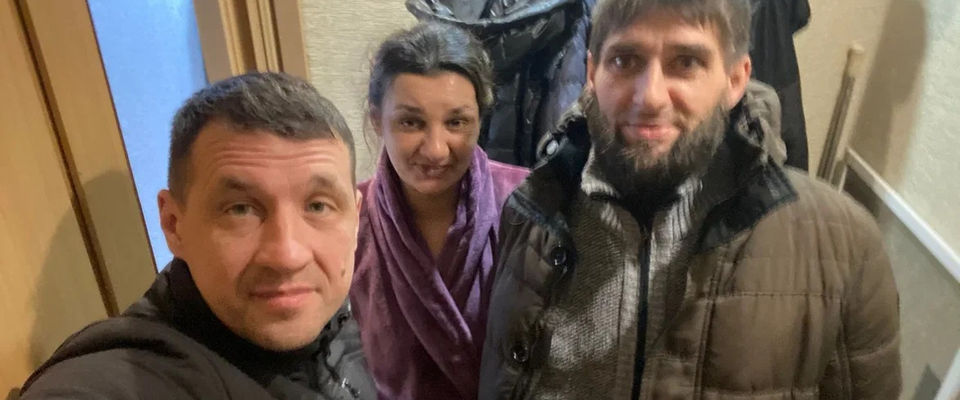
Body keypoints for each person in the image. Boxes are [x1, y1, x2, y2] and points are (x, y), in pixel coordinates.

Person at [479, 0, 902, 398]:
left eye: (686, 62)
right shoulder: (531, 212)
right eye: (625, 61)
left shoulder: (844, 250)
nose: (650, 97)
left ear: (735, 79)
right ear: (592, 75)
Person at [19, 72, 375, 399]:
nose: (287, 255)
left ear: (356, 218)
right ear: (174, 224)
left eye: (318, 206)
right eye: (240, 209)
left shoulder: (341, 311)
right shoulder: (123, 379)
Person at [350, 23, 529, 400]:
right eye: (410, 122)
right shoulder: (347, 222)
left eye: (456, 122)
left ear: (480, 119)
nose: (435, 149)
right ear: (377, 121)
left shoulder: (529, 205)